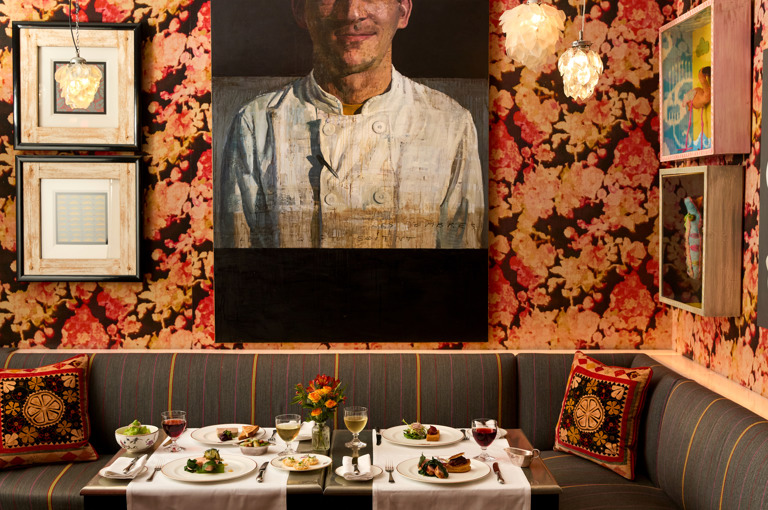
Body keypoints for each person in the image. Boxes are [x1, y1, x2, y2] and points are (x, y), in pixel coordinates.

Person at [218, 0, 485, 249]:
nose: (351, 13)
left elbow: (461, 266)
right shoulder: (257, 123)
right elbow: (240, 266)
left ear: (403, 11)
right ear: (300, 10)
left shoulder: (449, 123)